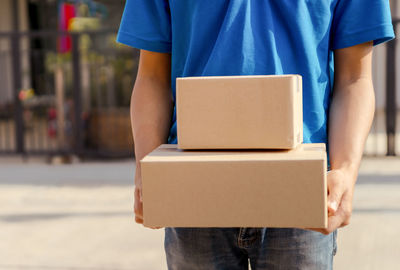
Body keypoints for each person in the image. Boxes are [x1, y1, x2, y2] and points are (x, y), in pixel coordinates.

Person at [117, 0, 395, 269]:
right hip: (195, 182)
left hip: (302, 186)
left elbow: (355, 78)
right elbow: (152, 76)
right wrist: (147, 167)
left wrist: (346, 170)